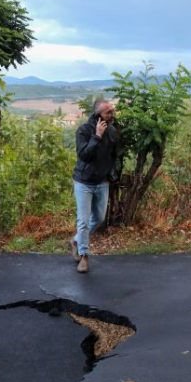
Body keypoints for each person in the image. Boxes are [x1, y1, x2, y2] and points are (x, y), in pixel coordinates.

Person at [71, 99, 119, 274]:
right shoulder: (84, 130)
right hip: (83, 182)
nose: (112, 115)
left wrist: (111, 173)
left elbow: (114, 156)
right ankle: (84, 256)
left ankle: (76, 240)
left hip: (102, 182)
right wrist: (97, 136)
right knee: (83, 222)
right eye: (108, 112)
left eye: (112, 112)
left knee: (98, 218)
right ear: (98, 114)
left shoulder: (113, 131)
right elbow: (84, 155)